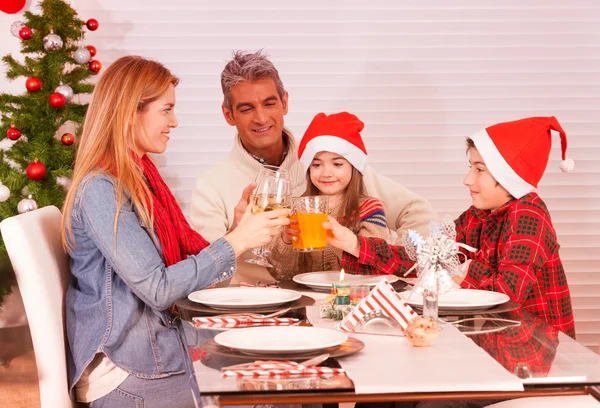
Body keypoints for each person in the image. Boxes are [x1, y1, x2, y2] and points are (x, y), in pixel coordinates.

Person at [61, 56, 289, 407]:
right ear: (130, 111)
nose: (174, 122)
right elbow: (158, 288)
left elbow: (180, 273)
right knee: (280, 394)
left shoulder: (141, 178)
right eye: (166, 110)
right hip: (133, 372)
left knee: (291, 374)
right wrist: (237, 241)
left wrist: (236, 234)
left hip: (161, 349)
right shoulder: (101, 189)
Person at [190, 50, 438, 285]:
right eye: (246, 109)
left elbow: (417, 213)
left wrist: (398, 265)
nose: (262, 118)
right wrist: (236, 233)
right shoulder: (211, 186)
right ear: (228, 115)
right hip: (253, 311)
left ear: (284, 102)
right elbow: (205, 279)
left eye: (269, 104)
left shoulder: (328, 161)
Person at [324, 116, 576, 338]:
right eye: (470, 168)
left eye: (479, 170)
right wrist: (353, 243)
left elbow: (508, 295)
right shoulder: (479, 214)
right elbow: (422, 258)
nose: (468, 180)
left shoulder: (528, 215)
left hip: (536, 347)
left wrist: (459, 269)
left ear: (507, 176)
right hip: (493, 337)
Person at [265, 111, 389, 280]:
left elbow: (375, 263)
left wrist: (340, 240)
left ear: (354, 167)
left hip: (351, 296)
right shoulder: (296, 207)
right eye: (317, 164)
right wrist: (286, 241)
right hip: (307, 296)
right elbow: (280, 273)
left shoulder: (369, 209)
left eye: (337, 164)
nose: (326, 173)